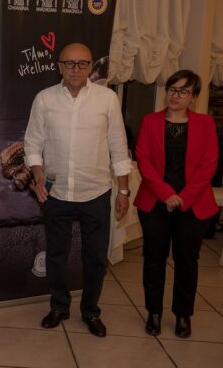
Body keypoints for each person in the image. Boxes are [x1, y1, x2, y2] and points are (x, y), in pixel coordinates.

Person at [24, 42, 132, 338]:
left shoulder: (107, 99)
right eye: (70, 63)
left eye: (82, 63)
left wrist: (124, 192)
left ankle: (90, 310)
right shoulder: (44, 99)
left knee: (95, 257)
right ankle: (59, 306)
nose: (76, 69)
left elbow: (118, 146)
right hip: (56, 193)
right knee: (56, 254)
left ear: (91, 67)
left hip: (96, 192)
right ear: (59, 66)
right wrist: (38, 174)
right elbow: (33, 143)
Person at [134, 70, 219, 338]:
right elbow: (143, 160)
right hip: (155, 202)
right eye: (172, 89)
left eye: (183, 91)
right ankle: (154, 313)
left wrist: (184, 197)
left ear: (194, 97)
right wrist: (166, 194)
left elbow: (209, 165)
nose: (176, 95)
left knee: (187, 261)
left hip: (193, 204)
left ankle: (183, 314)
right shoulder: (150, 121)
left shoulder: (206, 124)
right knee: (154, 259)